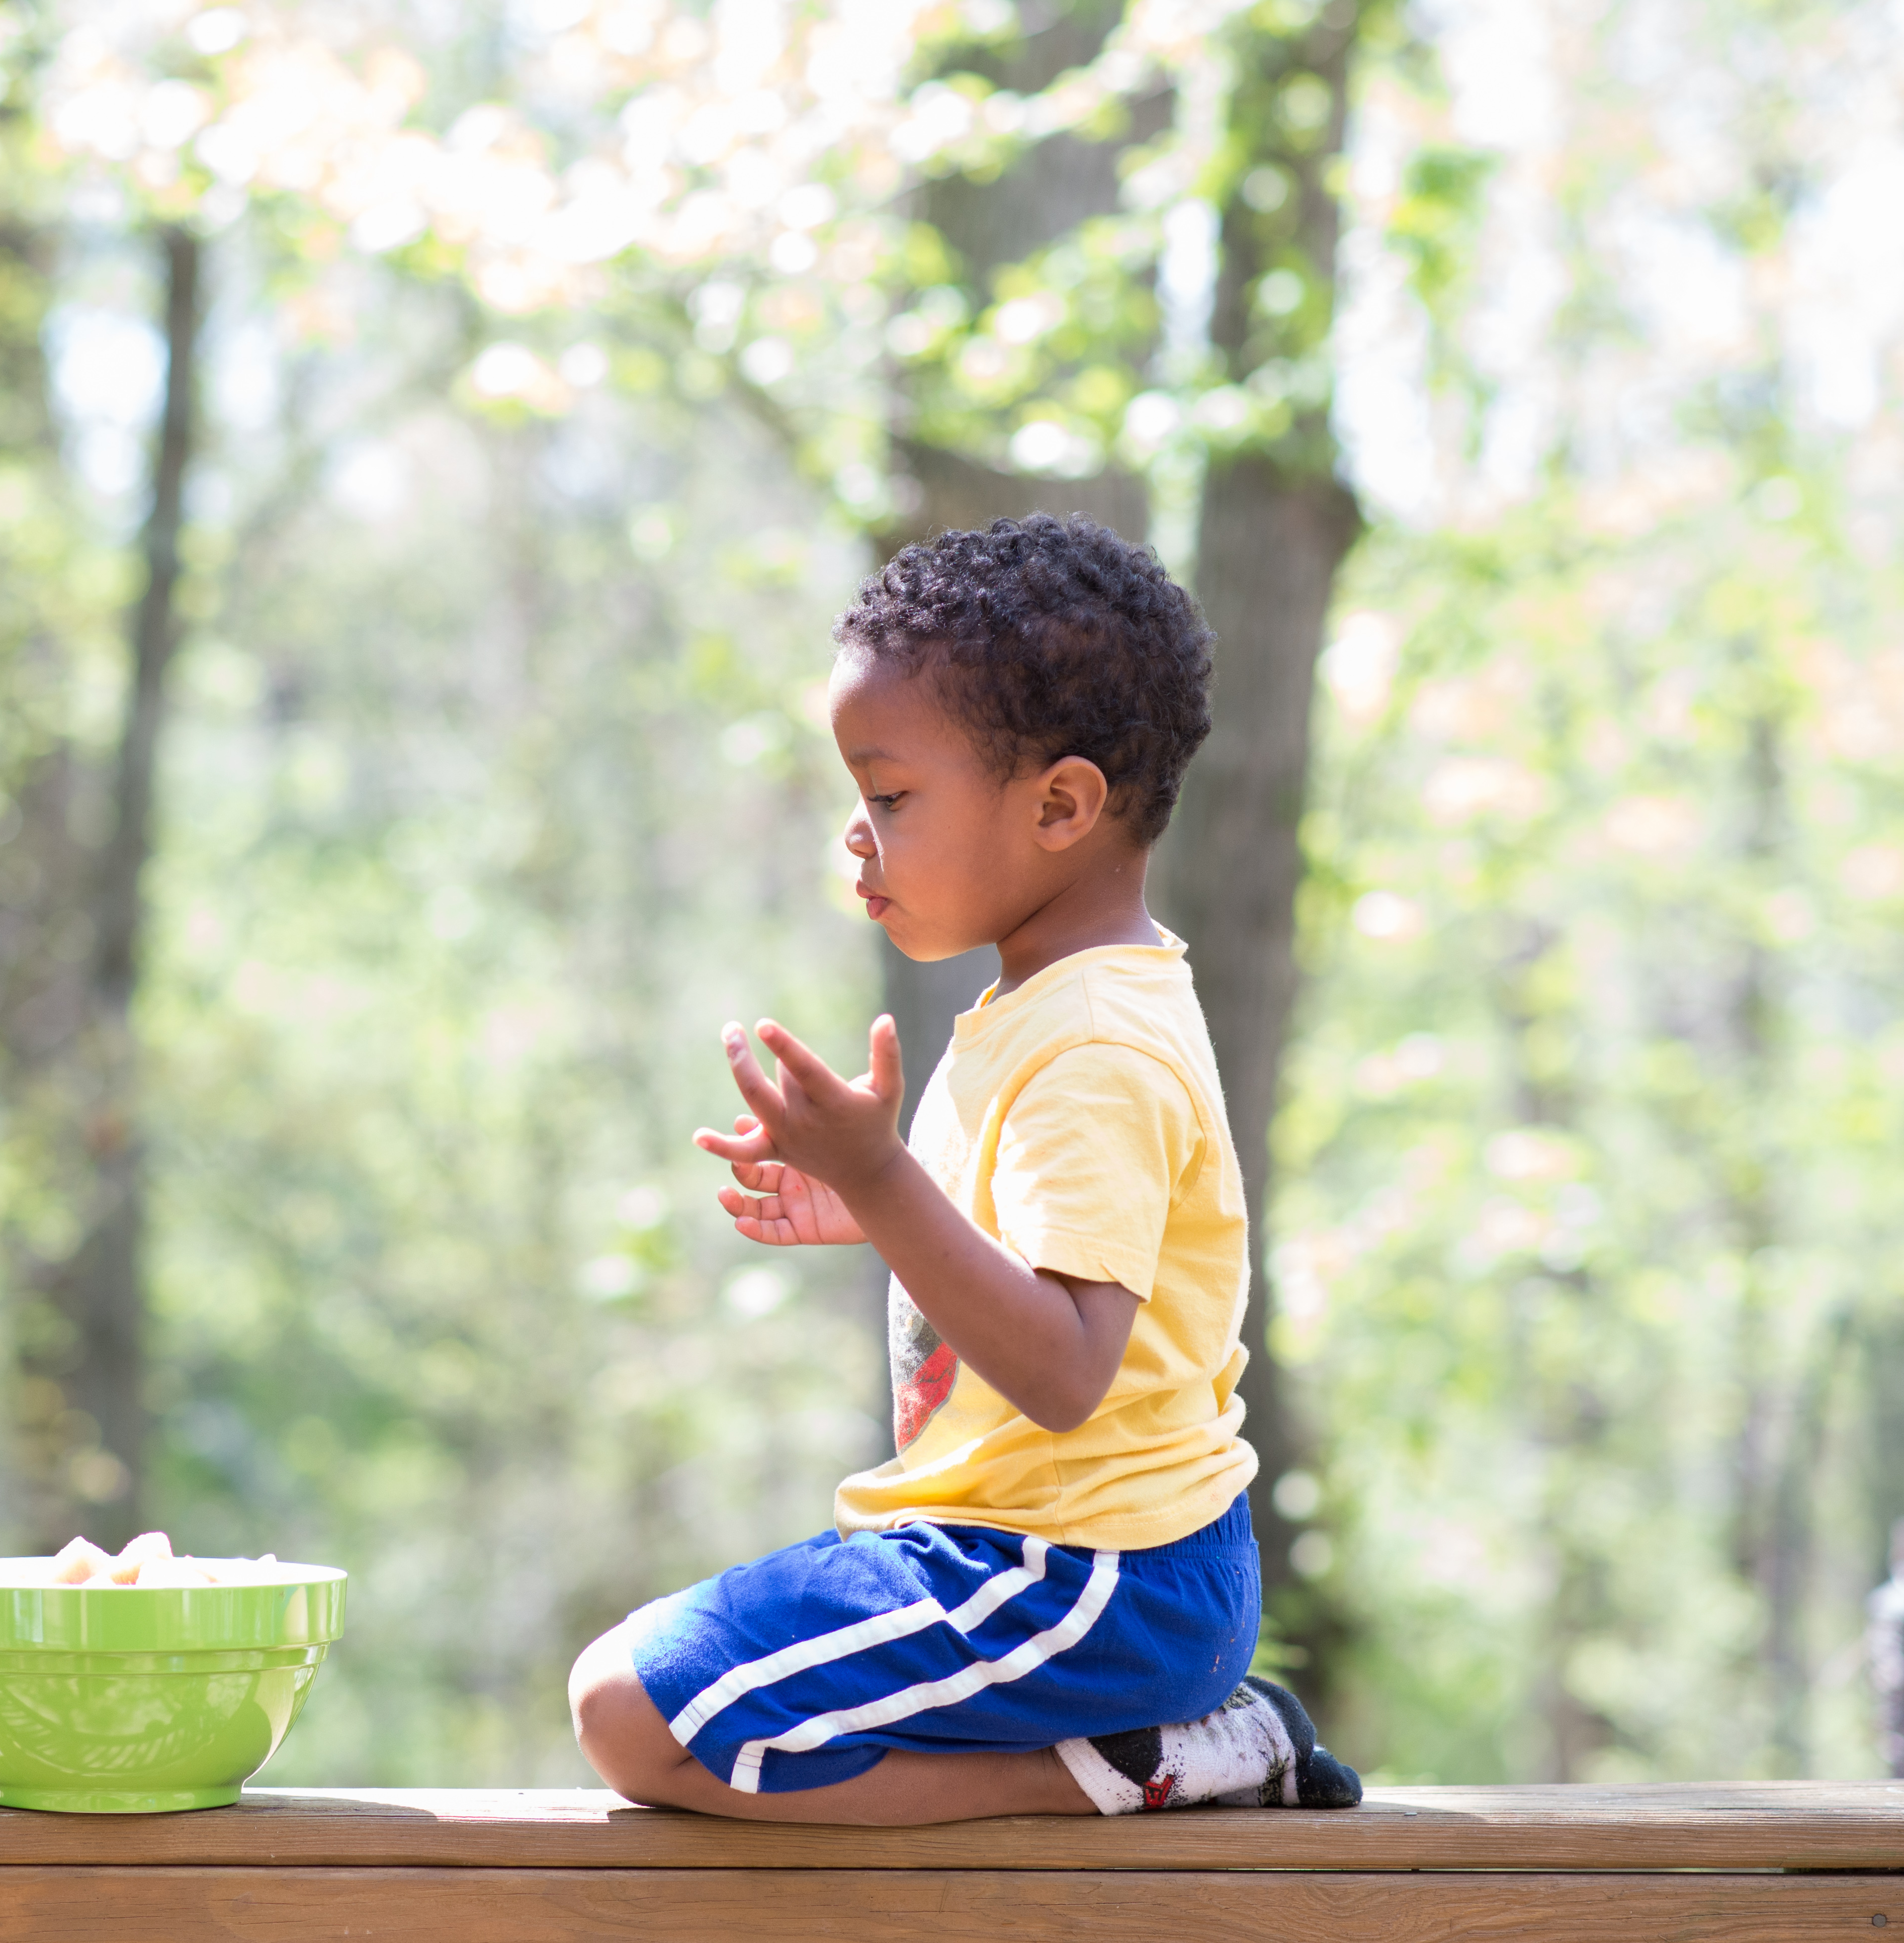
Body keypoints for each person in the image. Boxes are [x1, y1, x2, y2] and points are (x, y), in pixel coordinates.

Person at [566, 514, 1361, 1824]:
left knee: (631, 1715)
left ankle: (1150, 1764)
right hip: (1050, 1561)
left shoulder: (1092, 1044)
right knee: (638, 1703)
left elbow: (1064, 1370)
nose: (855, 835)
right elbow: (1036, 1272)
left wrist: (886, 1182)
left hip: (1089, 1577)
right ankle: (1155, 1757)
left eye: (889, 797)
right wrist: (876, 1204)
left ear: (1058, 806)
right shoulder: (1047, 1009)